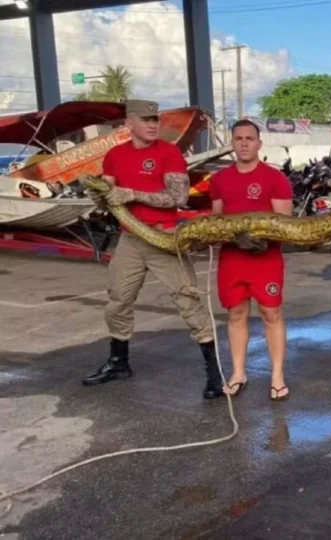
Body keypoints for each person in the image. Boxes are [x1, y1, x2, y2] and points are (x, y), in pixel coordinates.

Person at [82, 99, 223, 400]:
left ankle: (215, 372)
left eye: (155, 119)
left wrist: (132, 193)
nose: (152, 124)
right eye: (145, 119)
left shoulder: (168, 152)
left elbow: (178, 197)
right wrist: (99, 195)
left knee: (188, 300)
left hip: (164, 236)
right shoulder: (115, 155)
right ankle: (119, 362)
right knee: (118, 300)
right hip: (131, 238)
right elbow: (107, 195)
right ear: (128, 123)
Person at [207, 119, 294, 401]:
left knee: (271, 314)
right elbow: (217, 222)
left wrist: (261, 240)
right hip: (232, 260)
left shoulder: (275, 179)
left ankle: (277, 376)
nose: (244, 143)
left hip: (265, 260)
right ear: (232, 143)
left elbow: (285, 224)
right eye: (238, 138)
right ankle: (238, 373)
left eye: (249, 138)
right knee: (236, 314)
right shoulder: (219, 180)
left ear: (259, 143)